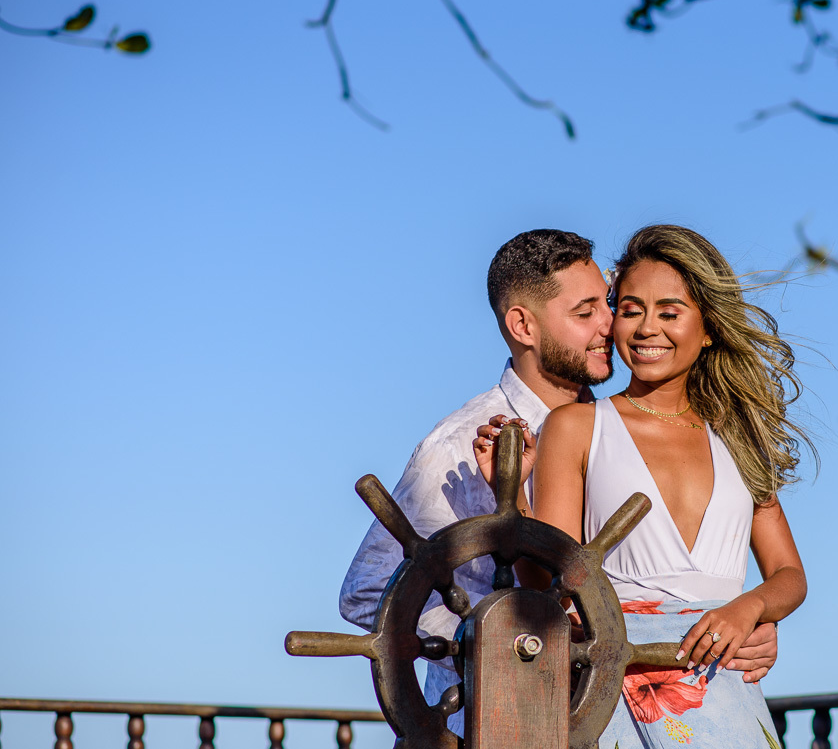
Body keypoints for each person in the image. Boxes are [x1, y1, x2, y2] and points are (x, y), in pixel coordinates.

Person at [339, 228, 780, 737]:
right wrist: (507, 634)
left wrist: (740, 621)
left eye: (609, 305)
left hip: (603, 713)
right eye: (585, 312)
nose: (610, 325)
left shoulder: (604, 431)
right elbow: (367, 591)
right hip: (479, 727)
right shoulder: (458, 445)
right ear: (523, 325)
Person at [475, 224, 813, 748]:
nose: (646, 328)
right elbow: (550, 585)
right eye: (630, 310)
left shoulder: (740, 437)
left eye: (670, 313)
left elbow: (789, 574)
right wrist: (514, 497)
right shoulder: (576, 428)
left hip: (725, 692)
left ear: (707, 329)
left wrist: (750, 609)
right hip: (611, 690)